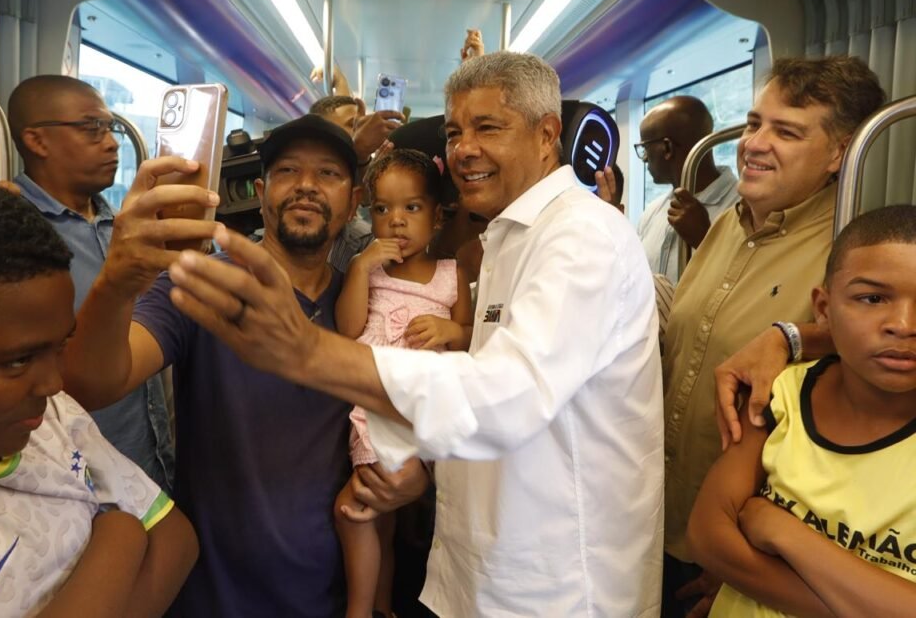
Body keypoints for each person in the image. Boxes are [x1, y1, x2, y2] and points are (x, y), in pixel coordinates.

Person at [164, 51, 665, 616]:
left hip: (560, 589)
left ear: (547, 134)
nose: (464, 148)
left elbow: (508, 395)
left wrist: (311, 353)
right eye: (454, 132)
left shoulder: (581, 237)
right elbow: (466, 389)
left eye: (487, 127)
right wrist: (414, 469)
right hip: (486, 573)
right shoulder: (507, 240)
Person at [60, 113, 430, 615]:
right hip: (216, 598)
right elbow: (94, 383)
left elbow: (407, 417)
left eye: (328, 173)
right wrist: (116, 282)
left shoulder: (364, 308)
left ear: (354, 202)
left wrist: (414, 477)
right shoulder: (202, 284)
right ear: (260, 191)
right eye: (287, 171)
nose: (306, 185)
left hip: (334, 596)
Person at [0, 171, 197, 617]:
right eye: (17, 361)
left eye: (59, 347)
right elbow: (142, 530)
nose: (54, 383)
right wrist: (120, 533)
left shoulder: (48, 416)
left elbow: (177, 541)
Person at [660, 55, 886, 616]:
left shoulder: (854, 251)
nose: (754, 144)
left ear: (839, 153)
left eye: (786, 132)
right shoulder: (726, 226)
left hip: (743, 549)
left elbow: (878, 357)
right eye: (754, 123)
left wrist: (793, 337)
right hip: (665, 516)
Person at [687, 204, 916, 617]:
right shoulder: (783, 393)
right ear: (823, 310)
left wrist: (783, 532)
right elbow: (708, 535)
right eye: (872, 298)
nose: (903, 324)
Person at [6, 75, 174, 490]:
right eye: (92, 128)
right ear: (37, 140)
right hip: (65, 478)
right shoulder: (8, 230)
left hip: (151, 460)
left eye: (111, 128)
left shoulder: (123, 226)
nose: (112, 143)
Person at [334, 148, 473, 618]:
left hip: (420, 412)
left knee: (352, 510)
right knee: (380, 522)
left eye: (411, 207)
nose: (396, 220)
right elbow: (348, 329)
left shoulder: (452, 274)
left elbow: (472, 340)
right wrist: (360, 267)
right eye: (382, 208)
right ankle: (381, 607)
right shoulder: (370, 272)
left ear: (437, 216)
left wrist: (452, 331)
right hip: (373, 408)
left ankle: (358, 611)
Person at [634, 96, 739, 284]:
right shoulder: (651, 213)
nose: (644, 159)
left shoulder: (742, 208)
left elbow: (749, 285)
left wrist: (705, 239)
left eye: (645, 148)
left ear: (667, 148)